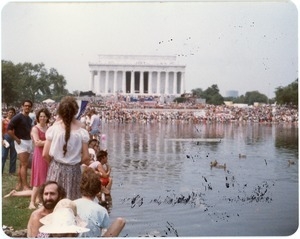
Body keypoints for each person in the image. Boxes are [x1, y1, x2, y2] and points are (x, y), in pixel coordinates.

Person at [43, 96, 90, 200]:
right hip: (74, 170)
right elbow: (86, 157)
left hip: (56, 167)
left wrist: (54, 165)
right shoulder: (82, 131)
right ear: (75, 111)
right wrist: (75, 162)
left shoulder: (53, 129)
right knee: (72, 200)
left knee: (53, 198)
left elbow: (45, 154)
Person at [74, 167, 125, 237]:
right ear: (98, 189)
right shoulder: (101, 210)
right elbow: (104, 230)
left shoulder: (72, 204)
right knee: (121, 221)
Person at [7, 100, 33, 191]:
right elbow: (9, 129)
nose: (27, 107)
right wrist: (16, 139)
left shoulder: (29, 119)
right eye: (25, 106)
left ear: (31, 107)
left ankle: (19, 183)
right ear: (22, 106)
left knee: (22, 165)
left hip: (28, 141)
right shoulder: (17, 117)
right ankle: (25, 186)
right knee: (24, 164)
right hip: (21, 142)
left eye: (29, 106)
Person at [29, 108, 51, 209]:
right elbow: (37, 142)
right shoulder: (35, 129)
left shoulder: (49, 128)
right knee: (38, 178)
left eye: (44, 116)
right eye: (41, 116)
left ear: (47, 118)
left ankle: (39, 198)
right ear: (38, 117)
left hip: (47, 154)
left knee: (46, 177)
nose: (42, 118)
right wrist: (49, 141)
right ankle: (32, 202)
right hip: (39, 155)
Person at [2, 107, 17, 174]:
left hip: (13, 138)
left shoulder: (16, 122)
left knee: (13, 155)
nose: (11, 114)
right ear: (7, 113)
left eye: (12, 112)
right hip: (6, 138)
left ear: (14, 114)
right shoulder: (4, 121)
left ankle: (12, 171)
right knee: (3, 155)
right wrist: (2, 140)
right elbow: (1, 131)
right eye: (10, 112)